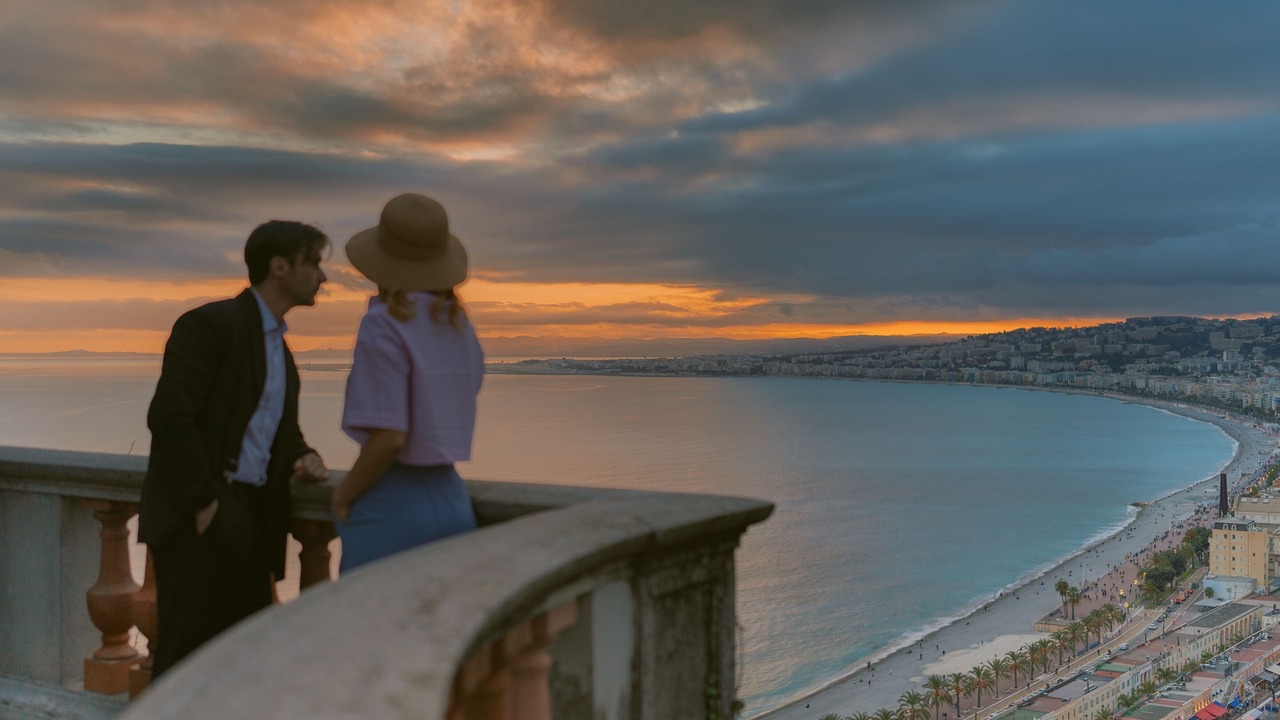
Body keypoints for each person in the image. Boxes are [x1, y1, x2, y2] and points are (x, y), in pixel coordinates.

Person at [138, 220, 331, 677]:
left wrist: (303, 453)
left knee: (238, 662)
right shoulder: (209, 325)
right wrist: (205, 501)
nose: (323, 277)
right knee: (186, 660)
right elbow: (170, 417)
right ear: (279, 267)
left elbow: (270, 426)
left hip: (252, 518)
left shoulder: (278, 350)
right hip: (201, 518)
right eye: (314, 263)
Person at [332, 192, 484, 572]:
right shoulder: (458, 325)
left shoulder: (383, 324)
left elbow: (390, 437)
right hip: (452, 501)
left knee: (373, 627)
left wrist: (343, 496)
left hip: (392, 504)